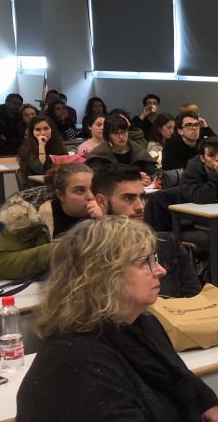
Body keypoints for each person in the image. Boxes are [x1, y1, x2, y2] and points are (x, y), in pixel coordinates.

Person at [7, 216, 218, 422]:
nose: (161, 270)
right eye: (145, 262)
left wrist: (204, 398)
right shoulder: (75, 358)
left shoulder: (138, 323)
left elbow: (174, 373)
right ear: (104, 276)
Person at [93, 164, 202, 298]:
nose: (140, 206)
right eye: (128, 198)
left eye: (142, 197)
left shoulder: (166, 243)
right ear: (102, 202)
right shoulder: (90, 254)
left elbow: (194, 298)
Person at [86, 114, 158, 183]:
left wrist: (148, 179)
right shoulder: (99, 154)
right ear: (108, 135)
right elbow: (94, 179)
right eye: (115, 133)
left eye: (124, 132)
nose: (121, 137)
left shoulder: (137, 150)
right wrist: (131, 180)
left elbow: (154, 173)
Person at [37, 163, 104, 238]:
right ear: (61, 195)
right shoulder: (47, 216)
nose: (91, 196)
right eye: (80, 191)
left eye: (93, 189)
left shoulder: (103, 209)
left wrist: (103, 221)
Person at [16, 115, 81, 190]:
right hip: (35, 189)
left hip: (57, 186)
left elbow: (65, 169)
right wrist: (41, 147)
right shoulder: (27, 149)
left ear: (52, 130)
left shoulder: (58, 146)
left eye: (46, 129)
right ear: (32, 132)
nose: (42, 133)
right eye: (38, 130)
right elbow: (39, 170)